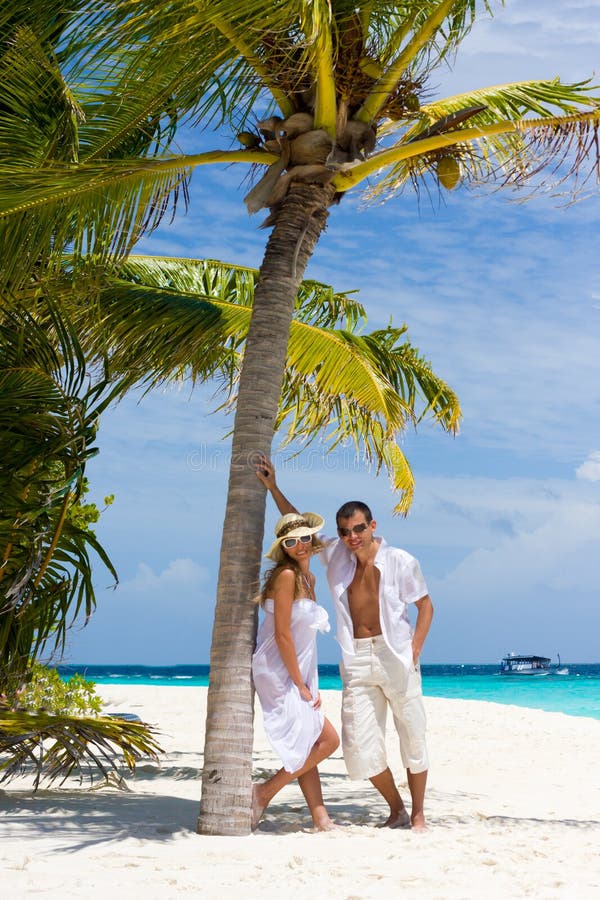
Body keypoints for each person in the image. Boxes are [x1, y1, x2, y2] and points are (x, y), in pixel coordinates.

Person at [256, 457, 434, 832]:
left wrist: (415, 647)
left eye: (357, 529)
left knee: (412, 735)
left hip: (396, 655)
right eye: (344, 531)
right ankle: (396, 809)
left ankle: (417, 814)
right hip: (356, 658)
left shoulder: (401, 561)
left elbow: (425, 605)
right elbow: (298, 531)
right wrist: (274, 487)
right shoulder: (338, 557)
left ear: (372, 526)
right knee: (359, 748)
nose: (352, 537)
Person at [251, 510, 340, 831]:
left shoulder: (309, 579)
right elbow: (282, 634)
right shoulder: (286, 577)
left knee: (309, 739)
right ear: (283, 547)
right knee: (329, 741)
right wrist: (300, 684)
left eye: (305, 538)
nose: (300, 545)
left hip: (299, 669)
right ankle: (263, 793)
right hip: (278, 670)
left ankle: (321, 819)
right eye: (291, 541)